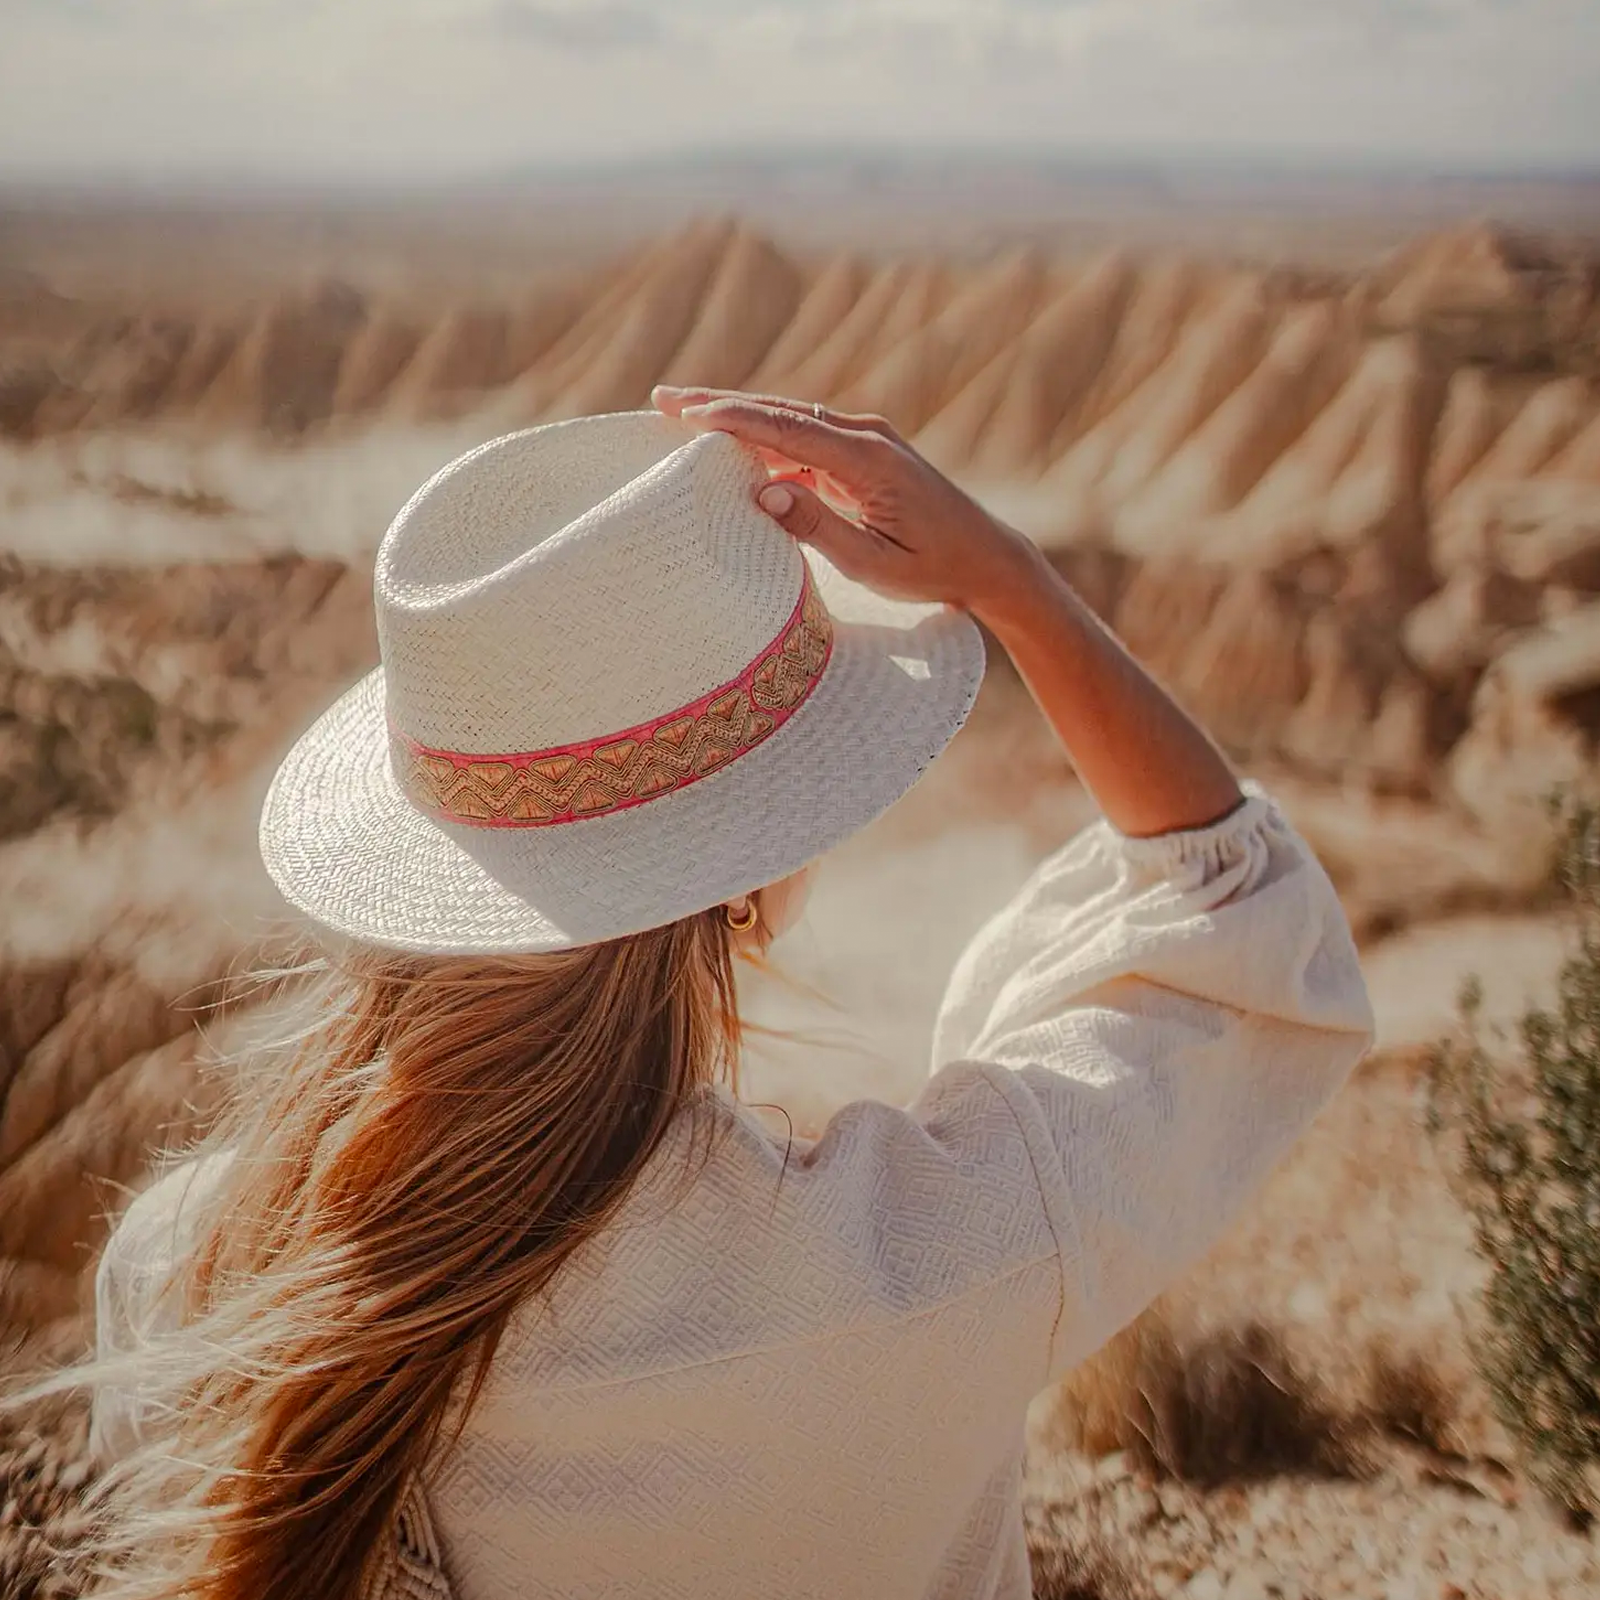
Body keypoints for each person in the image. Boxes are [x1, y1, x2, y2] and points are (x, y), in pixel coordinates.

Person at [83, 390, 1373, 1600]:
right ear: (743, 885)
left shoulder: (196, 1274)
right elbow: (1237, 922)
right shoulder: (932, 1259)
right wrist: (1011, 584)